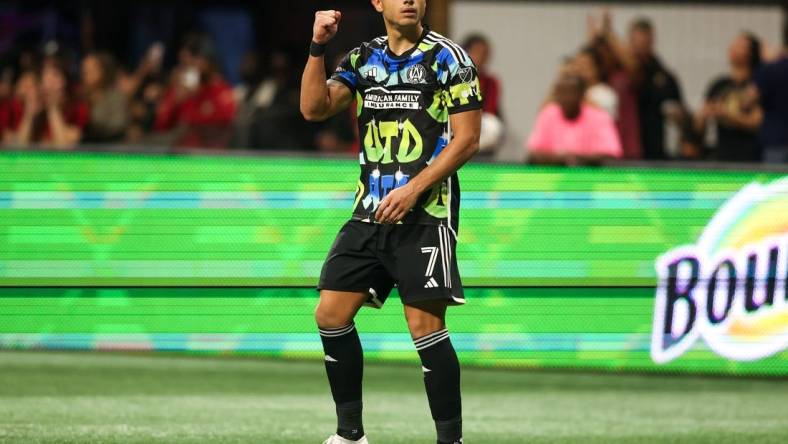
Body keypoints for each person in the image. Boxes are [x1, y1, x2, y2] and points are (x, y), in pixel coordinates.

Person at [300, 1, 482, 443]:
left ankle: (450, 441)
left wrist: (413, 189)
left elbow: (468, 140)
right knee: (330, 312)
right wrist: (317, 47)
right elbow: (314, 108)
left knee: (425, 326)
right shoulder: (363, 58)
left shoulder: (450, 59)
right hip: (369, 212)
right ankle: (350, 435)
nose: (410, 0)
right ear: (378, 3)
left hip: (426, 215)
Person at [154, 34, 236, 148]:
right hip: (180, 156)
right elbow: (161, 125)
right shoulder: (179, 89)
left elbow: (225, 119)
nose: (189, 66)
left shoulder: (220, 90)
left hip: (210, 157)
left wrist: (195, 97)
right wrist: (176, 102)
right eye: (184, 63)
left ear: (208, 61)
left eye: (193, 60)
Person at [696, 32, 764, 162]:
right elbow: (699, 126)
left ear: (750, 52)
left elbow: (758, 122)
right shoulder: (719, 85)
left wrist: (727, 115)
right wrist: (702, 115)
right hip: (723, 156)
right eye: (733, 44)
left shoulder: (757, 84)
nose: (732, 48)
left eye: (739, 45)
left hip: (751, 158)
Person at [526, 74, 622, 165]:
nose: (567, 98)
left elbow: (611, 154)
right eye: (562, 92)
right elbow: (533, 153)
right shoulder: (548, 114)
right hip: (553, 177)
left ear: (582, 95)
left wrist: (577, 158)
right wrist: (559, 159)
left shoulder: (600, 117)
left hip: (590, 177)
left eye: (572, 92)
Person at [629, 18, 684, 160]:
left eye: (644, 41)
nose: (640, 46)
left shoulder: (665, 76)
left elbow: (680, 113)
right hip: (626, 149)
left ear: (652, 40)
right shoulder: (621, 76)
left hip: (655, 149)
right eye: (636, 41)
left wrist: (676, 115)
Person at [3, 56, 89, 148]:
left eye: (56, 75)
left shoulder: (78, 109)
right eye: (45, 76)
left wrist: (53, 110)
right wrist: (29, 116)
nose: (49, 82)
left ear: (65, 82)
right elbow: (17, 151)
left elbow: (64, 149)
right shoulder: (18, 107)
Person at [462, 33, 503, 156]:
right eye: (477, 52)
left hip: (480, 123)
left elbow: (490, 111)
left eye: (485, 53)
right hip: (456, 121)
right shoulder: (453, 76)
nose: (481, 57)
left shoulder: (491, 82)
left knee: (493, 126)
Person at [756, 20, 788, 163]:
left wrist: (765, 63)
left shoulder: (770, 68)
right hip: (776, 141)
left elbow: (749, 99)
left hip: (776, 141)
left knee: (776, 183)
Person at [80, 52, 128, 143]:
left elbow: (118, 125)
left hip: (109, 150)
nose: (85, 75)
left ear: (103, 71)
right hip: (78, 152)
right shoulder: (78, 97)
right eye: (84, 71)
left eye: (90, 70)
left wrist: (86, 132)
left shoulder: (116, 98)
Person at [575, 46, 618, 119]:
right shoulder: (575, 91)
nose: (580, 69)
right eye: (578, 64)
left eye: (585, 64)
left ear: (597, 67)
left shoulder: (606, 94)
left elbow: (605, 118)